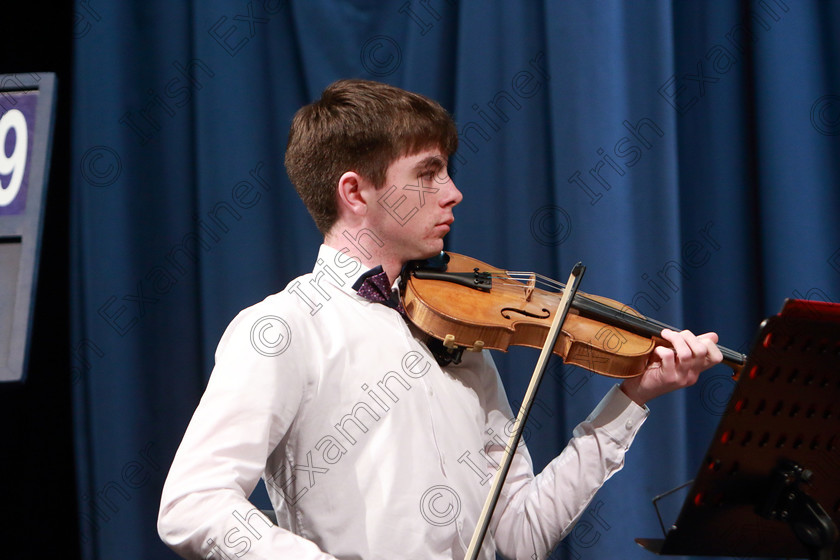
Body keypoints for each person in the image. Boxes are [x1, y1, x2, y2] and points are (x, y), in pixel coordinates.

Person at [157, 79, 723, 560]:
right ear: (355, 191)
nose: (452, 192)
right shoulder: (283, 328)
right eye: (428, 173)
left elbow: (521, 533)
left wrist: (633, 396)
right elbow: (193, 503)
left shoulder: (459, 331)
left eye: (446, 171)